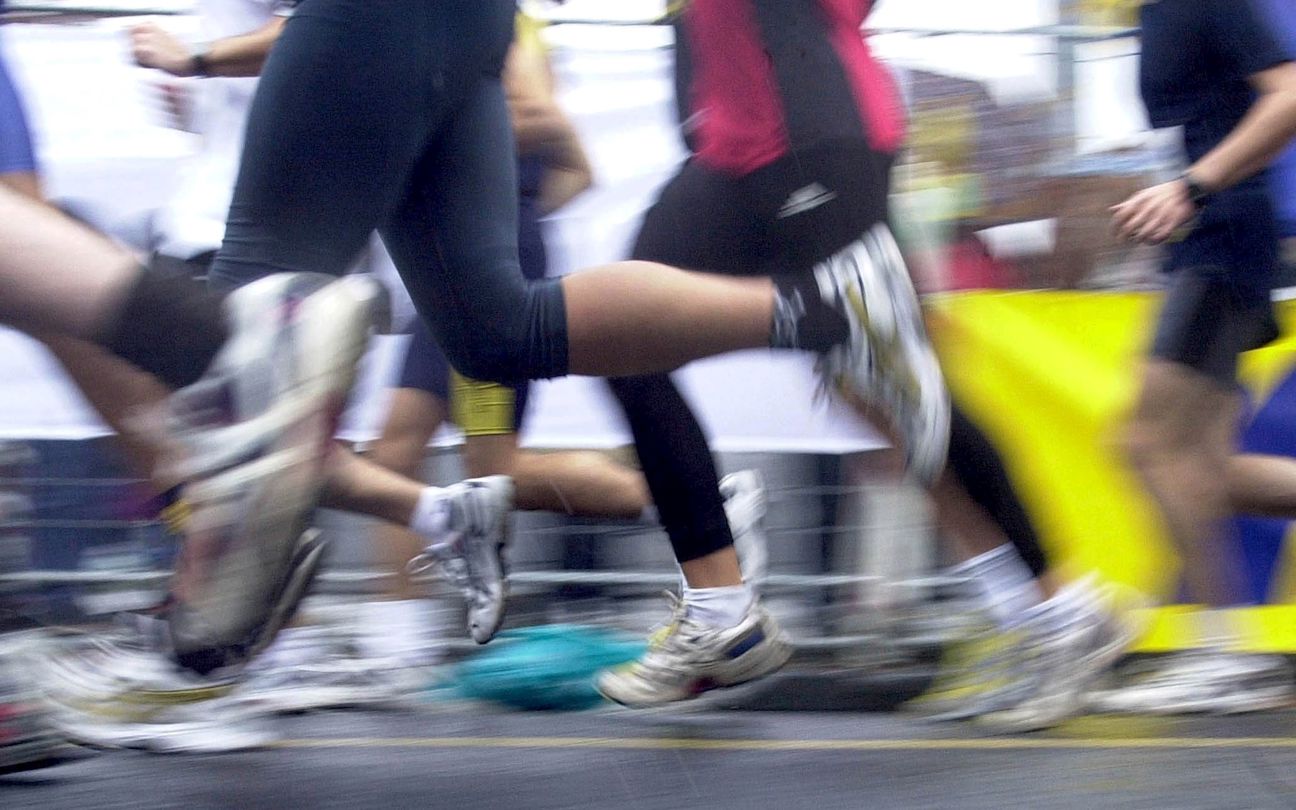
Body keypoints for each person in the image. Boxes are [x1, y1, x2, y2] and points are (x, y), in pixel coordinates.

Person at [587, 1, 1124, 724]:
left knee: (893, 391)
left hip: (816, 140)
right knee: (617, 336)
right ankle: (721, 614)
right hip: (730, 148)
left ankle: (1060, 616)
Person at [1102, 0, 1296, 713]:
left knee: (1149, 444)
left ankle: (1225, 654)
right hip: (1204, 243)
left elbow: (1289, 94)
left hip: (1223, 239)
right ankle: (1225, 653)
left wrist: (1191, 188)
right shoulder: (1154, 11)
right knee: (1207, 471)